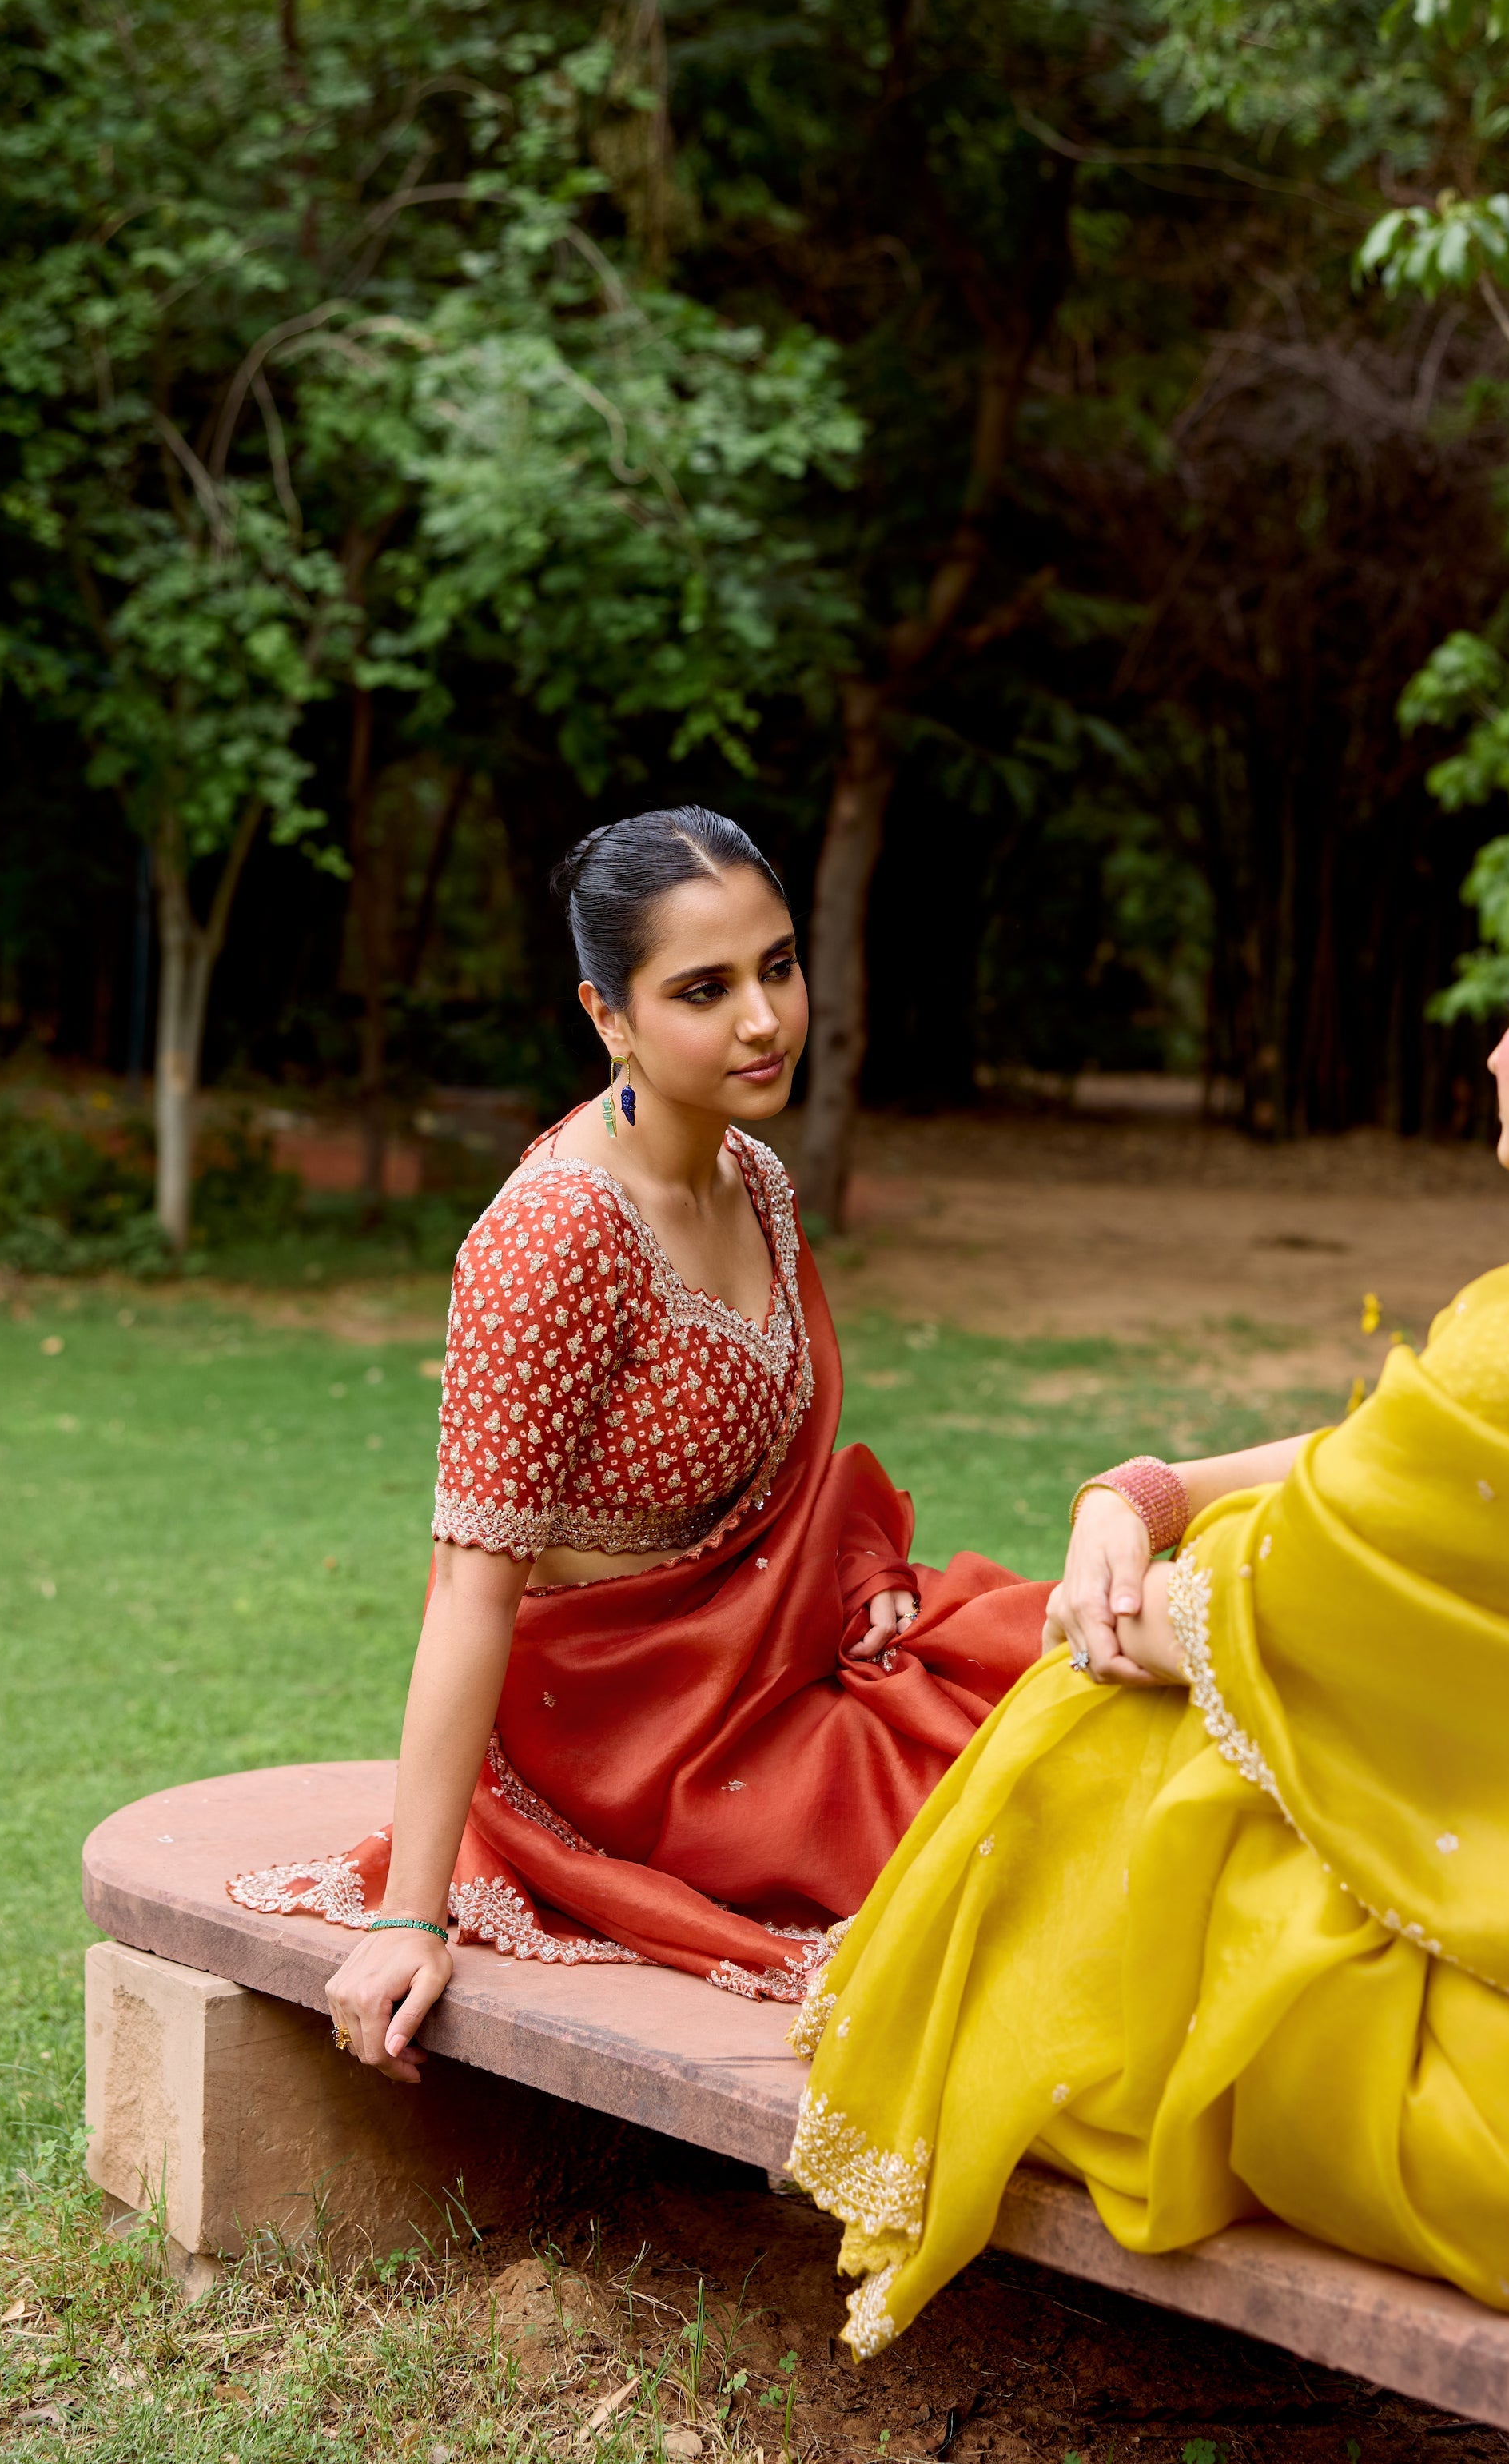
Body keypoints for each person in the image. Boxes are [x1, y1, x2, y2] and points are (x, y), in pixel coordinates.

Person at [785, 846, 1509, 2350]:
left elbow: (1182, 1632)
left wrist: (1122, 1579)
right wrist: (1152, 1489)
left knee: (1109, 1727)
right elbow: (1367, 1462)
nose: (1494, 1042)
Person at [231, 807, 1047, 2080]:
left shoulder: (755, 1183)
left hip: (764, 1649)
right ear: (607, 1015)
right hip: (623, 1732)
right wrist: (412, 1912)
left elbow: (780, 1490)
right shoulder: (556, 1239)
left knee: (1057, 1671)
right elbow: (467, 1583)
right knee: (997, 1831)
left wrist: (848, 1580)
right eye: (702, 990)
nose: (764, 1020)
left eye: (777, 967)